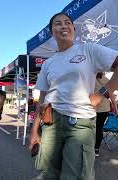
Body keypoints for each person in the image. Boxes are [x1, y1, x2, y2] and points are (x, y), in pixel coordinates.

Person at [29, 12, 118, 180]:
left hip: (79, 124)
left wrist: (102, 95)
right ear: (52, 32)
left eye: (67, 22)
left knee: (75, 176)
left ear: (73, 28)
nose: (63, 25)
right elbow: (42, 99)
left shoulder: (88, 49)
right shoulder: (48, 63)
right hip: (50, 123)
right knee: (48, 174)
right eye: (58, 23)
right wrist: (34, 131)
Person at [94, 73, 118, 157]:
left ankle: (90, 147)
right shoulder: (106, 80)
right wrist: (115, 106)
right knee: (99, 128)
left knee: (92, 129)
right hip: (105, 109)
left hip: (93, 108)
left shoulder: (90, 79)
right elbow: (111, 95)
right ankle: (96, 149)